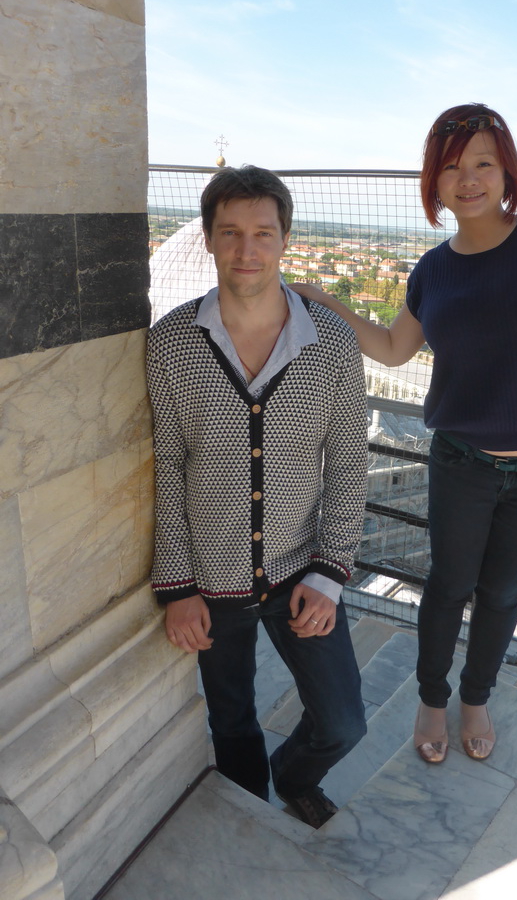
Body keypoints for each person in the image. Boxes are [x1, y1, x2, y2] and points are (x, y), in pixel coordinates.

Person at [293, 104, 517, 764]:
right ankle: (432, 697)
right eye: (452, 166)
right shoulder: (432, 270)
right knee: (449, 586)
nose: (470, 178)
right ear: (434, 182)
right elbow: (396, 349)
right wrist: (328, 303)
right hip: (462, 461)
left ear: (506, 170)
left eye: (484, 162)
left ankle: (474, 698)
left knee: (503, 592)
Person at [147, 164, 368, 827]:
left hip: (302, 570)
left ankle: (293, 775)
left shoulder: (333, 345)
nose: (248, 250)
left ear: (285, 240)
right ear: (210, 240)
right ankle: (250, 817)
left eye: (263, 233)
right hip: (211, 583)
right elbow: (166, 463)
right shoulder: (170, 345)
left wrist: (330, 575)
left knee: (343, 721)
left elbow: (351, 462)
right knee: (232, 719)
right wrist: (177, 585)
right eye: (231, 233)